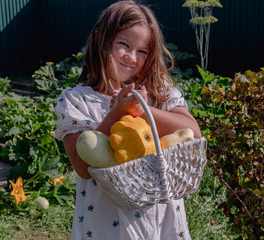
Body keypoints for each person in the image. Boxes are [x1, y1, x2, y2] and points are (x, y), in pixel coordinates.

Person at [54, 1, 202, 239]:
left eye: (143, 51)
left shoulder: (159, 92)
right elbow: (82, 168)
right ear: (100, 38)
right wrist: (115, 115)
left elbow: (193, 132)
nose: (132, 57)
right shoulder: (76, 101)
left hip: (159, 216)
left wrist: (142, 111)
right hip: (104, 218)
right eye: (124, 44)